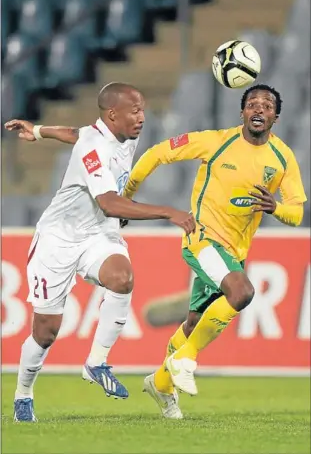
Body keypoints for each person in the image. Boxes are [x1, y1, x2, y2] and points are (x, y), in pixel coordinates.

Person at [5, 82, 196, 422]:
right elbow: (108, 203)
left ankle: (96, 362)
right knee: (45, 332)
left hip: (97, 234)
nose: (142, 117)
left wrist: (37, 130)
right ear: (113, 114)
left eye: (142, 109)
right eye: (135, 111)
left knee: (122, 279)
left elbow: (75, 132)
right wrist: (169, 212)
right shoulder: (93, 147)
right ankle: (23, 394)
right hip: (58, 240)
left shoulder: (120, 134)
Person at [121, 84, 307, 419]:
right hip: (201, 237)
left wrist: (275, 207)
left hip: (233, 253)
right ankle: (184, 360)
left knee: (194, 323)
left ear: (276, 117)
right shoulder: (217, 141)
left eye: (267, 105)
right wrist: (128, 194)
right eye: (252, 104)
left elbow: (296, 213)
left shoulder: (282, 159)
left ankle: (161, 384)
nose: (259, 109)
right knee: (242, 291)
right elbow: (158, 153)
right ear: (242, 113)